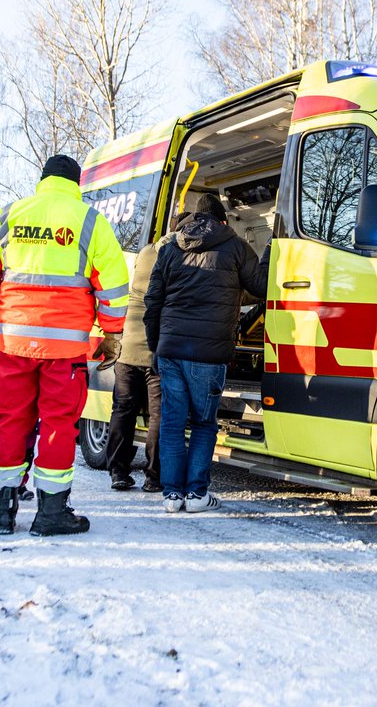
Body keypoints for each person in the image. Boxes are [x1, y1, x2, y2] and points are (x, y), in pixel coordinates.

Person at [0, 154, 129, 536]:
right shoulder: (90, 221)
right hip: (66, 350)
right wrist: (111, 334)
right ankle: (51, 513)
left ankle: (3, 512)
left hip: (13, 343)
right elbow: (115, 286)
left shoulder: (6, 217)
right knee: (58, 424)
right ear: (76, 183)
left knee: (9, 420)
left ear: (43, 180)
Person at [144, 193, 268, 514]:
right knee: (203, 422)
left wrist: (155, 347)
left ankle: (172, 496)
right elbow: (261, 286)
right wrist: (270, 251)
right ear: (223, 220)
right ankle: (197, 493)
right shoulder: (236, 247)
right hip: (209, 354)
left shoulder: (170, 248)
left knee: (172, 423)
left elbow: (152, 302)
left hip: (170, 349)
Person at [104, 239, 164, 492]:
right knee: (157, 416)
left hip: (127, 350)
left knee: (123, 410)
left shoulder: (145, 253)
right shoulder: (175, 257)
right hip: (155, 352)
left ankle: (118, 471)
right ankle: (153, 477)